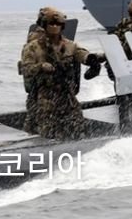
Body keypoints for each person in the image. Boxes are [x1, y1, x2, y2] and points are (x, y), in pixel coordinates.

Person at [22, 8, 105, 140]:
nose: (55, 27)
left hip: (66, 96)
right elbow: (26, 69)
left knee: (77, 128)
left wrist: (93, 59)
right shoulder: (33, 47)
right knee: (47, 133)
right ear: (44, 25)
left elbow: (82, 54)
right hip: (44, 97)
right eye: (51, 24)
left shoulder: (69, 46)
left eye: (58, 24)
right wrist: (41, 66)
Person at [19, 7, 56, 133]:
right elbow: (28, 67)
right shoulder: (34, 40)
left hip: (51, 87)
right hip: (38, 86)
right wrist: (42, 66)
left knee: (36, 117)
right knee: (37, 117)